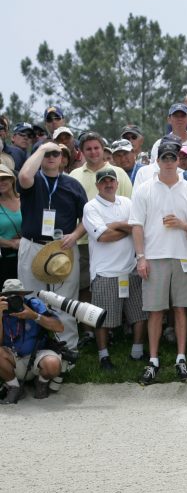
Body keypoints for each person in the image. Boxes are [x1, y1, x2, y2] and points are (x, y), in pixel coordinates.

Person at [130, 140, 187, 384]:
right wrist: (141, 258)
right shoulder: (144, 189)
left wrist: (182, 224)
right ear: (157, 161)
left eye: (173, 158)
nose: (169, 162)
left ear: (178, 161)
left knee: (181, 308)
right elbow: (136, 226)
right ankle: (153, 360)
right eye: (165, 158)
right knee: (155, 311)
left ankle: (181, 358)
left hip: (183, 256)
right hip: (154, 257)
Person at [17, 141, 89, 350]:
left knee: (65, 300)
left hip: (63, 248)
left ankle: (67, 349)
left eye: (55, 154)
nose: (50, 157)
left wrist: (75, 235)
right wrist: (42, 147)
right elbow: (24, 177)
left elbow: (87, 218)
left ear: (62, 158)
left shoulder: (73, 185)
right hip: (33, 245)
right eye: (46, 154)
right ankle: (33, 349)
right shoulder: (33, 180)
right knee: (31, 297)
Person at [83, 167, 147, 370]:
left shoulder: (127, 202)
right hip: (105, 272)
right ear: (97, 185)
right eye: (103, 182)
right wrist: (128, 229)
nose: (108, 184)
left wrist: (116, 224)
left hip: (131, 268)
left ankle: (137, 351)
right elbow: (103, 237)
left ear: (117, 183)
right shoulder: (91, 207)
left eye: (111, 181)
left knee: (139, 314)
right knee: (102, 317)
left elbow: (139, 227)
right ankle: (104, 356)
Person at [0, 279, 64, 402]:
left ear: (23, 295)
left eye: (17, 295)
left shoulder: (33, 305)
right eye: (9, 296)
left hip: (37, 356)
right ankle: (14, 387)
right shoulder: (1, 311)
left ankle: (41, 382)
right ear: (3, 298)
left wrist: (34, 316)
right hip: (12, 359)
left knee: (53, 364)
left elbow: (59, 327)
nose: (13, 299)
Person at [0, 165, 20, 283]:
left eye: (3, 179)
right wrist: (11, 243)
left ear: (12, 179)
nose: (0, 182)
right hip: (5, 260)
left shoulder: (25, 200)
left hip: (27, 256)